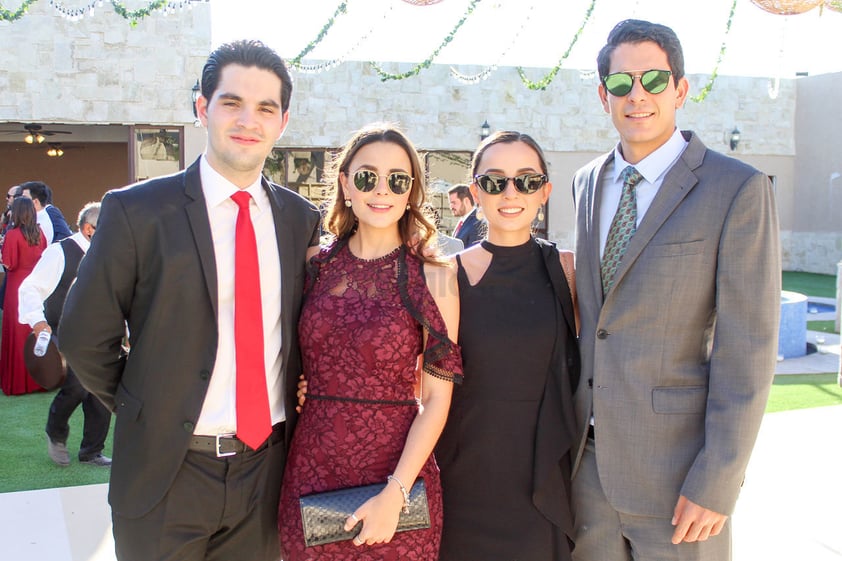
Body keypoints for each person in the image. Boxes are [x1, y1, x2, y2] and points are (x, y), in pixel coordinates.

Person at [59, 39, 321, 561]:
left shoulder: (299, 220)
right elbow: (84, 335)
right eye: (231, 102)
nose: (249, 120)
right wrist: (147, 407)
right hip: (166, 475)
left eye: (266, 108)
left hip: (266, 474)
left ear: (283, 122)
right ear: (202, 107)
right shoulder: (137, 211)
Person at [570, 19, 781, 561]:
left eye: (653, 80)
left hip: (679, 479)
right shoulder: (587, 182)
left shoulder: (736, 189)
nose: (636, 95)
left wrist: (717, 479)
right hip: (585, 473)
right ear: (603, 96)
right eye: (621, 83)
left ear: (680, 89)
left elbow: (748, 349)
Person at [278, 123, 461, 561]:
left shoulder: (436, 278)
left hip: (398, 478)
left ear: (411, 190)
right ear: (345, 184)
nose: (382, 190)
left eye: (397, 179)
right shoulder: (314, 265)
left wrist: (395, 493)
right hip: (312, 469)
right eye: (366, 176)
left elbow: (437, 399)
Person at [435, 131, 579, 561]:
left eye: (527, 181)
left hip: (541, 484)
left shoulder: (567, 271)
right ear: (477, 191)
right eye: (496, 181)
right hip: (464, 484)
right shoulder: (446, 274)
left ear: (545, 192)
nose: (511, 192)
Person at [18, 202, 112, 467]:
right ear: (89, 229)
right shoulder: (60, 252)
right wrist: (37, 321)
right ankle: (55, 432)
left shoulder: (110, 253)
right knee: (76, 386)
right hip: (64, 330)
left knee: (101, 393)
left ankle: (91, 451)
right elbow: (31, 288)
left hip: (102, 333)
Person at [0, 197, 47, 395]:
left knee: (16, 331)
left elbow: (9, 264)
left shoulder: (12, 235)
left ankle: (17, 383)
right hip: (36, 286)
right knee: (33, 330)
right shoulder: (40, 234)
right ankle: (39, 379)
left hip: (17, 286)